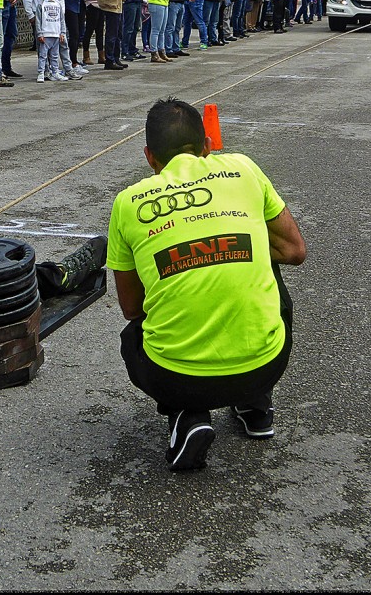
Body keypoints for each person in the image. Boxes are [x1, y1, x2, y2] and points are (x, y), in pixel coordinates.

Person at [106, 99, 306, 471]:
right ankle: (255, 406)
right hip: (266, 365)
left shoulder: (127, 203)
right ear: (208, 145)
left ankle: (186, 414)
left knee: (133, 336)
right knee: (265, 260)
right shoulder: (243, 168)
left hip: (175, 377)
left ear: (149, 157)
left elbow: (132, 308)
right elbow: (293, 250)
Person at [35, 0, 69, 83]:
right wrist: (40, 34)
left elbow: (61, 19)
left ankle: (55, 72)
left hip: (56, 34)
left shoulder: (58, 4)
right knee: (43, 55)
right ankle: (41, 73)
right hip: (45, 34)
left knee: (54, 56)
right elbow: (38, 20)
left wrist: (62, 33)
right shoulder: (41, 4)